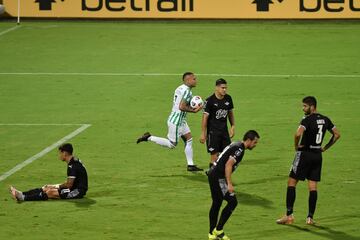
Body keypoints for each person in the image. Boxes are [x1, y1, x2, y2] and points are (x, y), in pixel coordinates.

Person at [276, 96, 340, 225]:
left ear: (312, 106)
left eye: (305, 106)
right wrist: (325, 148)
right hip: (317, 155)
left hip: (304, 154)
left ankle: (289, 216)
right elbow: (337, 134)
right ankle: (310, 218)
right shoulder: (325, 119)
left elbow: (298, 134)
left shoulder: (307, 119)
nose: (303, 109)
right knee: (313, 187)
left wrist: (296, 146)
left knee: (291, 183)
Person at [136, 72, 203, 172]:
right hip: (177, 122)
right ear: (188, 80)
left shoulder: (180, 88)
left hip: (180, 120)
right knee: (172, 144)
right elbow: (182, 106)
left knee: (189, 139)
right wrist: (194, 110)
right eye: (194, 79)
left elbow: (181, 103)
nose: (196, 80)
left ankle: (191, 165)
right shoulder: (187, 92)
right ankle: (149, 137)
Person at [208, 130, 260, 240]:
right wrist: (229, 184)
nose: (255, 145)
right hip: (218, 177)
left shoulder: (236, 144)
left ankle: (212, 233)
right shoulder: (239, 149)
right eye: (255, 142)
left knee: (217, 203)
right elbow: (228, 165)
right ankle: (218, 230)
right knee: (232, 202)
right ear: (249, 140)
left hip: (214, 174)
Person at [10, 143, 88, 201]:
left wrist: (57, 186)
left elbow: (69, 185)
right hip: (74, 187)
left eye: (60, 153)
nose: (59, 155)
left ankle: (23, 198)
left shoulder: (72, 166)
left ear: (64, 153)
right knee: (46, 187)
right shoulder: (74, 160)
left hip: (78, 191)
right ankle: (21, 193)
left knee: (51, 192)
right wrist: (55, 186)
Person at [200, 78, 235, 168]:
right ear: (216, 88)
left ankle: (221, 177)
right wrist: (203, 133)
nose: (225, 90)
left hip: (224, 132)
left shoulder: (228, 98)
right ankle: (212, 178)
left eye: (226, 88)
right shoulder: (209, 101)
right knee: (214, 157)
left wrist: (232, 126)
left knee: (226, 156)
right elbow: (204, 118)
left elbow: (230, 113)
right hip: (213, 133)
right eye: (222, 88)